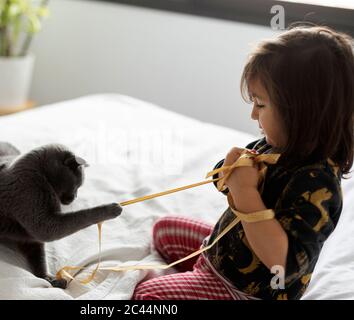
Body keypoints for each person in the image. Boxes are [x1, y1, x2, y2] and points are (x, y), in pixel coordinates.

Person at [132, 25, 354, 300]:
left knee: (147, 296)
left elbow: (281, 264)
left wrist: (246, 192)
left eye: (260, 104)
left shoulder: (318, 183)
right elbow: (223, 182)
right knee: (163, 229)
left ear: (303, 112)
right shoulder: (275, 145)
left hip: (245, 289)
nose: (252, 114)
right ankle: (197, 279)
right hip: (224, 253)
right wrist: (229, 170)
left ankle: (198, 285)